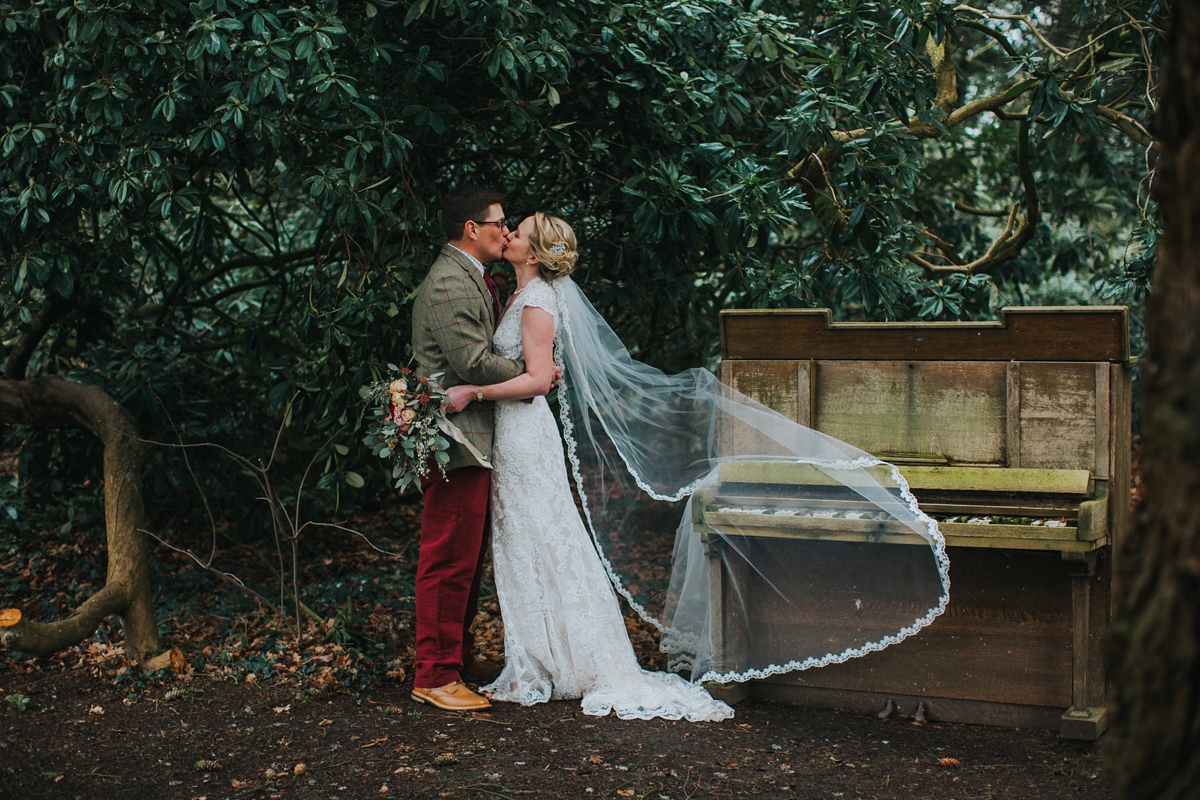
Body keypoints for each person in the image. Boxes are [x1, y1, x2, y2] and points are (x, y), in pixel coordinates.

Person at [445, 213, 735, 721]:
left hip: (524, 436)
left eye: (520, 230)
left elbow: (537, 381)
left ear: (534, 255)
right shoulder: (518, 295)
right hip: (512, 436)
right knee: (525, 544)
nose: (508, 232)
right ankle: (542, 656)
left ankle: (558, 661)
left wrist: (475, 391)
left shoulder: (537, 302)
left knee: (541, 540)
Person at [408, 185, 540, 712]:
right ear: (472, 229)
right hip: (455, 441)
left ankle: (455, 658)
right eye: (498, 222)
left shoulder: (470, 276)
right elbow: (473, 364)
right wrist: (535, 372)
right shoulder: (448, 285)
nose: (505, 231)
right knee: (447, 557)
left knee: (467, 557)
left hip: (476, 438)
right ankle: (434, 674)